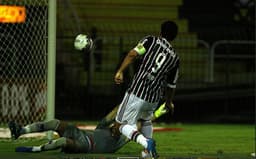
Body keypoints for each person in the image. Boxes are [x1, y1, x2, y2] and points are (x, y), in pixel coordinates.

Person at [114, 20, 179, 158]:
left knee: (120, 126)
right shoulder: (175, 58)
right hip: (154, 97)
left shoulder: (151, 40)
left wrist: (120, 71)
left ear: (160, 32)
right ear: (174, 37)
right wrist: (168, 102)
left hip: (137, 91)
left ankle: (146, 143)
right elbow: (171, 84)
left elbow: (133, 54)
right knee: (145, 121)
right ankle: (148, 153)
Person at [8, 102, 172, 156]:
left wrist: (157, 112)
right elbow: (114, 112)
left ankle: (35, 149)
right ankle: (20, 131)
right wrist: (128, 102)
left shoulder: (120, 140)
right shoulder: (106, 127)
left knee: (63, 141)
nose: (117, 125)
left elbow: (141, 124)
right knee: (54, 122)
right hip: (79, 133)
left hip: (85, 145)